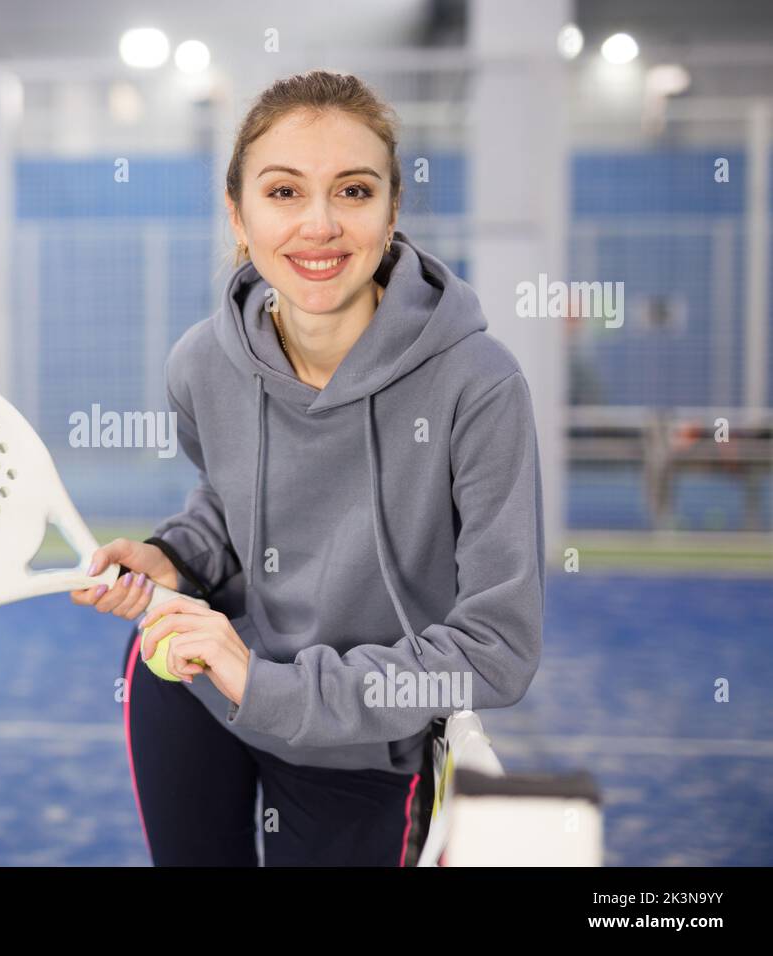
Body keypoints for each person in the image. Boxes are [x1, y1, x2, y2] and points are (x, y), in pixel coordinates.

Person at [72, 71, 545, 866]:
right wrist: (176, 555)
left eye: (353, 191)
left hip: (365, 750)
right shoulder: (201, 363)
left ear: (393, 212)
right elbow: (229, 504)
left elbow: (497, 650)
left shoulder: (481, 384)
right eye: (285, 192)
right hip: (195, 690)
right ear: (239, 214)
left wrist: (274, 686)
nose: (319, 225)